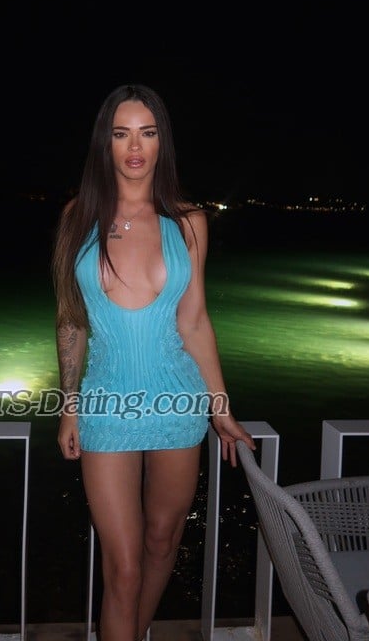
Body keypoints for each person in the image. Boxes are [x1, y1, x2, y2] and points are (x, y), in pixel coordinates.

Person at [51, 83, 256, 641]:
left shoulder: (189, 222)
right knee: (122, 567)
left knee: (163, 542)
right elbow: (71, 322)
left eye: (147, 132)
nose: (135, 147)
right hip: (106, 406)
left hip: (177, 404)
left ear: (163, 141)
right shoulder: (77, 218)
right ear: (105, 143)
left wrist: (220, 408)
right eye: (122, 134)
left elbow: (194, 322)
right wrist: (69, 407)